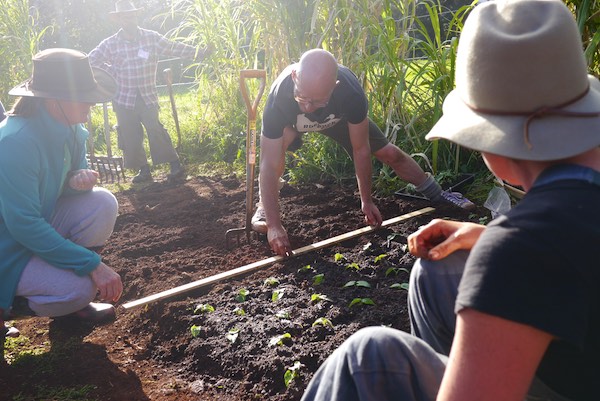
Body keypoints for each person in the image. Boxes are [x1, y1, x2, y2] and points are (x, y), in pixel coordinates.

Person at [301, 0, 600, 400]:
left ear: (491, 143)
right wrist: (485, 234)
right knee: (436, 273)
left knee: (366, 359)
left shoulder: (520, 253)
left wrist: (505, 245)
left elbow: (540, 252)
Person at [253, 48, 474, 257]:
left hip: (337, 120)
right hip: (292, 124)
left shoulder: (350, 93)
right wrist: (274, 225)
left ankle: (438, 194)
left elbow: (361, 149)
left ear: (334, 86)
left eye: (319, 101)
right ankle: (265, 207)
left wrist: (366, 201)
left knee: (389, 153)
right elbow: (268, 165)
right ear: (294, 76)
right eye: (303, 98)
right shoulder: (278, 99)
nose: (309, 107)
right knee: (276, 152)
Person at [0, 48, 124, 340]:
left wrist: (76, 183)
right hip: (6, 243)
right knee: (78, 289)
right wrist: (93, 265)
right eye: (83, 95)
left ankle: (66, 300)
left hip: (32, 226)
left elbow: (63, 183)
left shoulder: (72, 129)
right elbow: (24, 224)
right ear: (53, 100)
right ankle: (7, 303)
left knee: (102, 202)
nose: (91, 102)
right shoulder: (15, 143)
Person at [89, 0, 210, 183]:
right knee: (130, 134)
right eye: (125, 17)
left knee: (155, 128)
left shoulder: (151, 38)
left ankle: (174, 164)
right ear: (119, 20)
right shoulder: (110, 44)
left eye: (132, 15)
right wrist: (112, 72)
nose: (130, 19)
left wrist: (199, 53)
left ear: (136, 16)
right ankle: (143, 170)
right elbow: (91, 60)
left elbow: (173, 47)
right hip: (123, 98)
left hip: (147, 95)